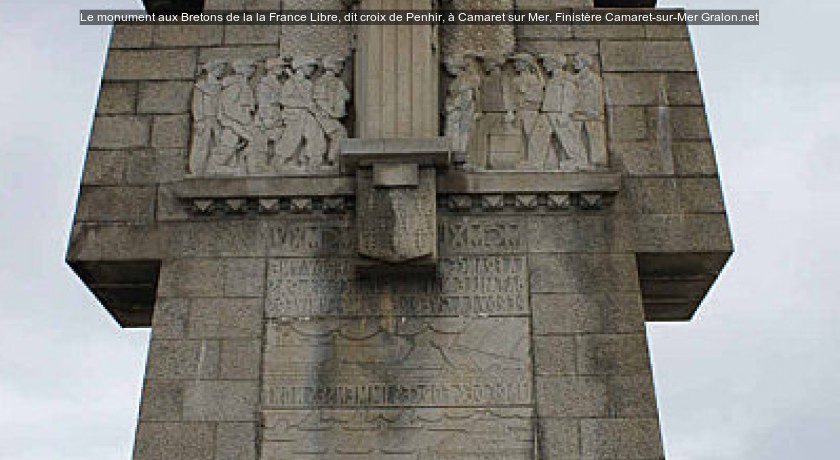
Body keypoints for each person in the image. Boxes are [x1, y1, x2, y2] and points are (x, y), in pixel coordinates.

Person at [274, 56, 326, 171]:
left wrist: (315, 108)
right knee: (291, 139)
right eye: (309, 66)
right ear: (300, 67)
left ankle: (313, 161)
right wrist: (303, 104)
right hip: (294, 115)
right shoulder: (290, 83)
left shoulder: (307, 84)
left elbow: (311, 100)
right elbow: (284, 100)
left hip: (306, 114)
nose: (311, 69)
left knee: (316, 135)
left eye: (312, 67)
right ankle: (279, 162)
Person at [540, 54, 587, 169]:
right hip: (548, 111)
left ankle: (578, 161)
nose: (544, 65)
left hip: (558, 112)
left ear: (554, 63)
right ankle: (535, 162)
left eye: (546, 62)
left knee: (567, 136)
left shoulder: (565, 78)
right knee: (538, 136)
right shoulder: (553, 78)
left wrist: (565, 114)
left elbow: (569, 97)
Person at [313, 55, 350, 169]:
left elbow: (346, 97)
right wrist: (331, 112)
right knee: (340, 134)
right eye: (338, 64)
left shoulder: (337, 82)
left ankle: (333, 161)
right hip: (324, 115)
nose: (341, 67)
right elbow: (319, 100)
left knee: (340, 134)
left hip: (333, 115)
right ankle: (332, 161)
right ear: (331, 66)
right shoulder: (322, 81)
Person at [188, 60, 225, 175]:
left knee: (219, 143)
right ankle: (197, 169)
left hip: (217, 119)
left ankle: (213, 167)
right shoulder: (201, 86)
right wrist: (199, 120)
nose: (221, 71)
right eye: (219, 68)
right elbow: (197, 105)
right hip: (205, 119)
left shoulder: (220, 86)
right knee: (202, 144)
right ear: (212, 70)